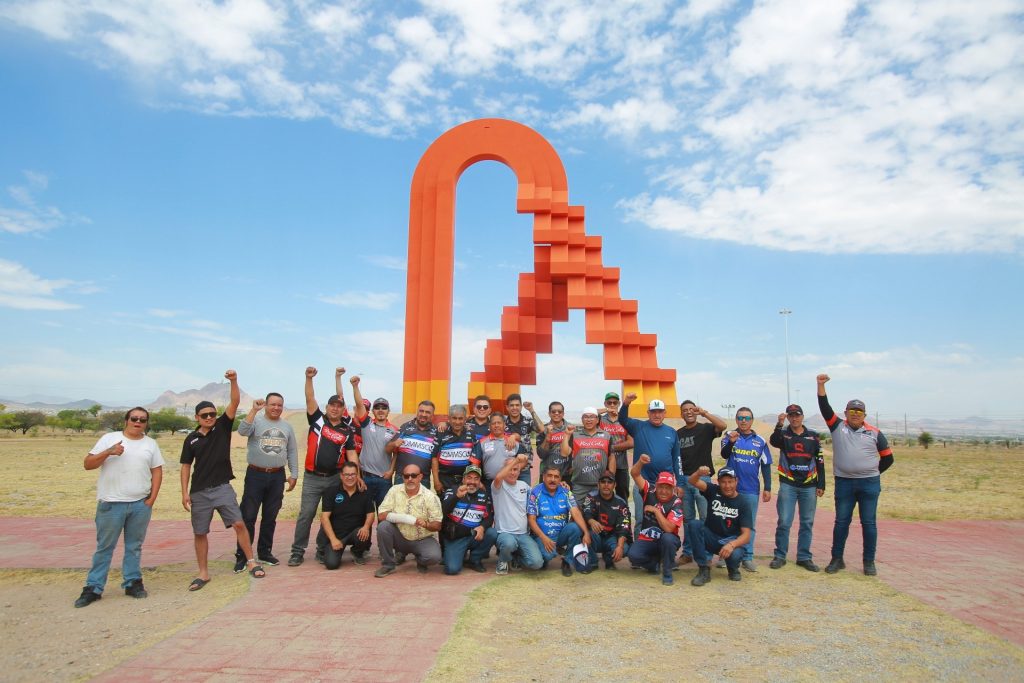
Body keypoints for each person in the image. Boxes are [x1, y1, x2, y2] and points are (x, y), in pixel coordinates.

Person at [180, 371, 264, 589]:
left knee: (239, 523)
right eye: (204, 415)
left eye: (212, 414)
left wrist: (233, 381)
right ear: (197, 417)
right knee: (200, 532)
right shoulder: (191, 439)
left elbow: (234, 401)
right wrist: (184, 492)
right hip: (199, 491)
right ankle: (203, 572)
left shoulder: (222, 428)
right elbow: (186, 466)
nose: (209, 417)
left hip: (222, 487)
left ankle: (251, 561)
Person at [74, 407, 165, 608]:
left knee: (134, 546)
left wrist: (152, 499)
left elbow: (157, 471)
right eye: (134, 418)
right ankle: (94, 587)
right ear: (126, 420)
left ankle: (132, 582)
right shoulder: (109, 439)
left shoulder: (151, 444)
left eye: (143, 419)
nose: (138, 422)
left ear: (147, 423)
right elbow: (88, 464)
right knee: (105, 547)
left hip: (140, 504)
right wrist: (108, 452)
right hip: (111, 503)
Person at [817, 374, 895, 576]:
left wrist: (872, 472)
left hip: (869, 484)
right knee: (841, 522)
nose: (855, 414)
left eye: (859, 411)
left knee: (868, 523)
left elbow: (888, 458)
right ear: (846, 412)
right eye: (852, 410)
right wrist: (820, 385)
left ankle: (869, 562)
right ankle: (837, 559)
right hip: (844, 483)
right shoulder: (837, 426)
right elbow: (825, 407)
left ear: (864, 415)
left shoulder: (875, 433)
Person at [289, 366, 359, 567]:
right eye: (332, 405)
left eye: (339, 406)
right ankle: (297, 551)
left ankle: (321, 549)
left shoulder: (347, 431)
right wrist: (308, 378)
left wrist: (358, 476)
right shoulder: (317, 419)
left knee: (330, 515)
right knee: (306, 515)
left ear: (343, 409)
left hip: (334, 478)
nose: (335, 408)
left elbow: (352, 455)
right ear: (327, 407)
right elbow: (310, 398)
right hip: (312, 477)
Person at [235, 392, 298, 568]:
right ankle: (243, 555)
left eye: (279, 405)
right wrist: (253, 410)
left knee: (270, 516)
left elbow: (292, 451)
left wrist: (294, 474)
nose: (276, 408)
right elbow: (242, 431)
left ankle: (264, 552)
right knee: (248, 516)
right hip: (255, 474)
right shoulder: (256, 421)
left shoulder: (287, 426)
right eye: (273, 404)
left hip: (277, 476)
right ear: (266, 405)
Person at [769, 404, 825, 571]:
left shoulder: (813, 436)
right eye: (791, 415)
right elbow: (773, 441)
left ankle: (804, 557)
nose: (794, 418)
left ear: (802, 416)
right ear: (788, 417)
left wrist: (821, 483)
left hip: (809, 485)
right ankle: (780, 556)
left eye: (797, 415)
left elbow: (820, 460)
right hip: (788, 484)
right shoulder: (783, 434)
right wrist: (779, 424)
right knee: (784, 521)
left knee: (807, 522)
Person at [619, 394, 681, 539]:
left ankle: (661, 549)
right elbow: (622, 419)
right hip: (643, 483)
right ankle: (638, 547)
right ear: (648, 413)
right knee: (641, 519)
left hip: (665, 486)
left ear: (665, 413)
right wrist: (626, 404)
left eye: (660, 412)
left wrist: (680, 482)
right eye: (653, 411)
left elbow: (676, 459)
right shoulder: (638, 427)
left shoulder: (671, 432)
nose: (656, 415)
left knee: (664, 520)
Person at [720, 407, 771, 572]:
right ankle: (725, 555)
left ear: (752, 420)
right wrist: (732, 442)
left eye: (747, 418)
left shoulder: (760, 441)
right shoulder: (729, 436)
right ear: (736, 420)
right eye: (740, 418)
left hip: (751, 489)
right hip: (730, 489)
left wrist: (768, 487)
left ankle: (747, 557)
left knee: (749, 524)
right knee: (727, 521)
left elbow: (766, 465)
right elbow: (724, 454)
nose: (743, 421)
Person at [676, 400, 727, 565]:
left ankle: (707, 554)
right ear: (681, 414)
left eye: (691, 409)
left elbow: (723, 425)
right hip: (684, 480)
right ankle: (688, 552)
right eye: (685, 410)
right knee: (688, 519)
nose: (688, 412)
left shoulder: (705, 429)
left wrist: (704, 413)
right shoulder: (678, 434)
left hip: (702, 480)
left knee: (706, 518)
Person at [687, 466, 753, 585]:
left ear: (736, 481)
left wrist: (731, 545)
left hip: (730, 541)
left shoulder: (743, 502)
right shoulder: (713, 490)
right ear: (718, 482)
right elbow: (692, 481)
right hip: (711, 537)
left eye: (730, 482)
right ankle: (703, 569)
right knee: (694, 524)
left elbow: (747, 535)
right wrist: (698, 473)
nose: (727, 486)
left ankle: (732, 568)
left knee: (736, 555)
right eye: (723, 482)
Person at [374, 464, 443, 577]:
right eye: (406, 476)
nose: (410, 479)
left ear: (420, 477)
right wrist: (406, 519)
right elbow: (381, 515)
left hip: (422, 539)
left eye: (413, 476)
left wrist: (426, 524)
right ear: (402, 477)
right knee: (383, 527)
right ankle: (388, 565)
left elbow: (437, 525)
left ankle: (421, 560)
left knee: (434, 557)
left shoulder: (430, 497)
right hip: (399, 537)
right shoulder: (394, 490)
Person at [626, 455, 685, 585]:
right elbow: (635, 474)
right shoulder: (649, 490)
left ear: (673, 489)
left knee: (668, 539)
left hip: (667, 540)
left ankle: (667, 573)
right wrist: (640, 462)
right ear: (656, 486)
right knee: (633, 555)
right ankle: (653, 564)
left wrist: (656, 511)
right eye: (661, 487)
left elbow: (669, 528)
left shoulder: (676, 502)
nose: (663, 491)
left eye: (667, 488)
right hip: (647, 539)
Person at [528, 466, 591, 576]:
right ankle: (544, 556)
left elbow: (576, 512)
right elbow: (531, 519)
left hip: (561, 535)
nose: (553, 479)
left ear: (560, 479)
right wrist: (543, 538)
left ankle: (567, 562)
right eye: (549, 476)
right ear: (543, 477)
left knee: (575, 528)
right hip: (542, 535)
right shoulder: (535, 492)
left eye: (556, 477)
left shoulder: (566, 492)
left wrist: (586, 533)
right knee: (547, 556)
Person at [349, 377, 398, 509]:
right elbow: (360, 405)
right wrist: (355, 386)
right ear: (372, 411)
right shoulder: (367, 423)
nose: (381, 410)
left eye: (384, 408)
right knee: (365, 515)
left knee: (383, 515)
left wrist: (391, 471)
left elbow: (396, 453)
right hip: (365, 477)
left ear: (388, 411)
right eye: (377, 408)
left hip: (384, 479)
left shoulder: (395, 430)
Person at [491, 454, 544, 574]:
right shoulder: (498, 486)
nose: (512, 472)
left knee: (537, 563)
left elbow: (538, 494)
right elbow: (498, 477)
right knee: (509, 544)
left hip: (523, 534)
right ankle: (503, 560)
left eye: (515, 469)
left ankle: (515, 558)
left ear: (519, 471)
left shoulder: (524, 486)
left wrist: (561, 485)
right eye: (509, 469)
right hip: (505, 533)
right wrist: (516, 461)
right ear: (504, 470)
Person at [440, 465, 497, 575]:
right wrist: (456, 497)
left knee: (492, 533)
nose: (472, 482)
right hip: (456, 537)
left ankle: (474, 559)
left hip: (474, 535)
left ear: (480, 481)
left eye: (476, 479)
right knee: (452, 569)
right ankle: (458, 555)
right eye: (469, 478)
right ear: (463, 479)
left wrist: (482, 527)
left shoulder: (484, 495)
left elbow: (489, 518)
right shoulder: (452, 490)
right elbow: (443, 511)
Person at [319, 461, 374, 569]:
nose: (350, 477)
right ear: (341, 476)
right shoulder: (331, 491)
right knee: (331, 564)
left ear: (357, 476)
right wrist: (333, 539)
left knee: (363, 531)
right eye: (347, 475)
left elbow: (371, 514)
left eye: (353, 474)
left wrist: (366, 527)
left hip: (356, 533)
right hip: (337, 536)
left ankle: (357, 552)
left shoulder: (364, 492)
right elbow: (324, 517)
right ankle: (329, 548)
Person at [560, 407, 613, 501]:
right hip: (579, 484)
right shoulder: (575, 435)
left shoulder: (606, 436)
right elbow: (564, 453)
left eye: (592, 417)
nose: (589, 419)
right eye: (585, 417)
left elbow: (611, 457)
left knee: (599, 510)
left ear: (597, 420)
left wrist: (611, 478)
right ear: (582, 419)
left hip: (600, 484)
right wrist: (567, 435)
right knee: (576, 509)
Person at [582, 470, 632, 570]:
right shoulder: (591, 496)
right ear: (598, 484)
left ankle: (609, 559)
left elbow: (624, 527)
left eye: (609, 482)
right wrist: (591, 521)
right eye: (603, 482)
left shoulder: (621, 503)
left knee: (625, 548)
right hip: (595, 535)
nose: (606, 485)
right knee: (585, 533)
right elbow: (585, 512)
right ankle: (593, 561)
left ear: (614, 485)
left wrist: (620, 546)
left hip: (612, 537)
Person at [386, 399, 440, 490]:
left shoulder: (436, 431)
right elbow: (387, 449)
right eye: (421, 411)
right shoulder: (405, 427)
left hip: (423, 479)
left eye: (427, 412)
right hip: (402, 478)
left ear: (432, 415)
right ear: (417, 412)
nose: (423, 414)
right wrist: (394, 444)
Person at [504, 393, 546, 485]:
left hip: (524, 469)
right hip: (506, 469)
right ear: (507, 407)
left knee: (524, 493)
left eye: (517, 405)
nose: (514, 408)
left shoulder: (528, 421)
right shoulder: (502, 421)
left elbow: (542, 429)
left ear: (521, 406)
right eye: (512, 405)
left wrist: (531, 410)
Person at [599, 392, 634, 503]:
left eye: (615, 403)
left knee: (622, 494)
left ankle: (623, 513)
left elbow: (631, 442)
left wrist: (611, 448)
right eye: (609, 403)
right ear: (605, 403)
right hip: (603, 465)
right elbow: (589, 413)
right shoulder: (600, 420)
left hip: (621, 465)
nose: (612, 405)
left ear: (619, 403)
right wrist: (607, 410)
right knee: (602, 494)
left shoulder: (625, 420)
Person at [433, 404, 475, 494]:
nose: (457, 422)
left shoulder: (471, 433)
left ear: (465, 419)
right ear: (449, 418)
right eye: (454, 418)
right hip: (445, 480)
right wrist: (436, 481)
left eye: (460, 418)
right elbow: (434, 458)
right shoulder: (441, 432)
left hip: (465, 481)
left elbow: (475, 458)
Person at [471, 413, 519, 488]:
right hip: (489, 484)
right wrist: (477, 482)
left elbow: (524, 460)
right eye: (493, 423)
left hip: (510, 483)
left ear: (504, 425)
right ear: (489, 426)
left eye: (499, 423)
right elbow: (475, 464)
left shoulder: (514, 442)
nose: (496, 425)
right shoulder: (481, 443)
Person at [536, 401, 571, 480]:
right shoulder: (543, 429)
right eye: (553, 411)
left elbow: (575, 451)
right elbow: (541, 455)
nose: (556, 413)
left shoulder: (570, 428)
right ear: (549, 413)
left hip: (566, 474)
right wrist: (547, 437)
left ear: (563, 413)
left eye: (559, 411)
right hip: (547, 474)